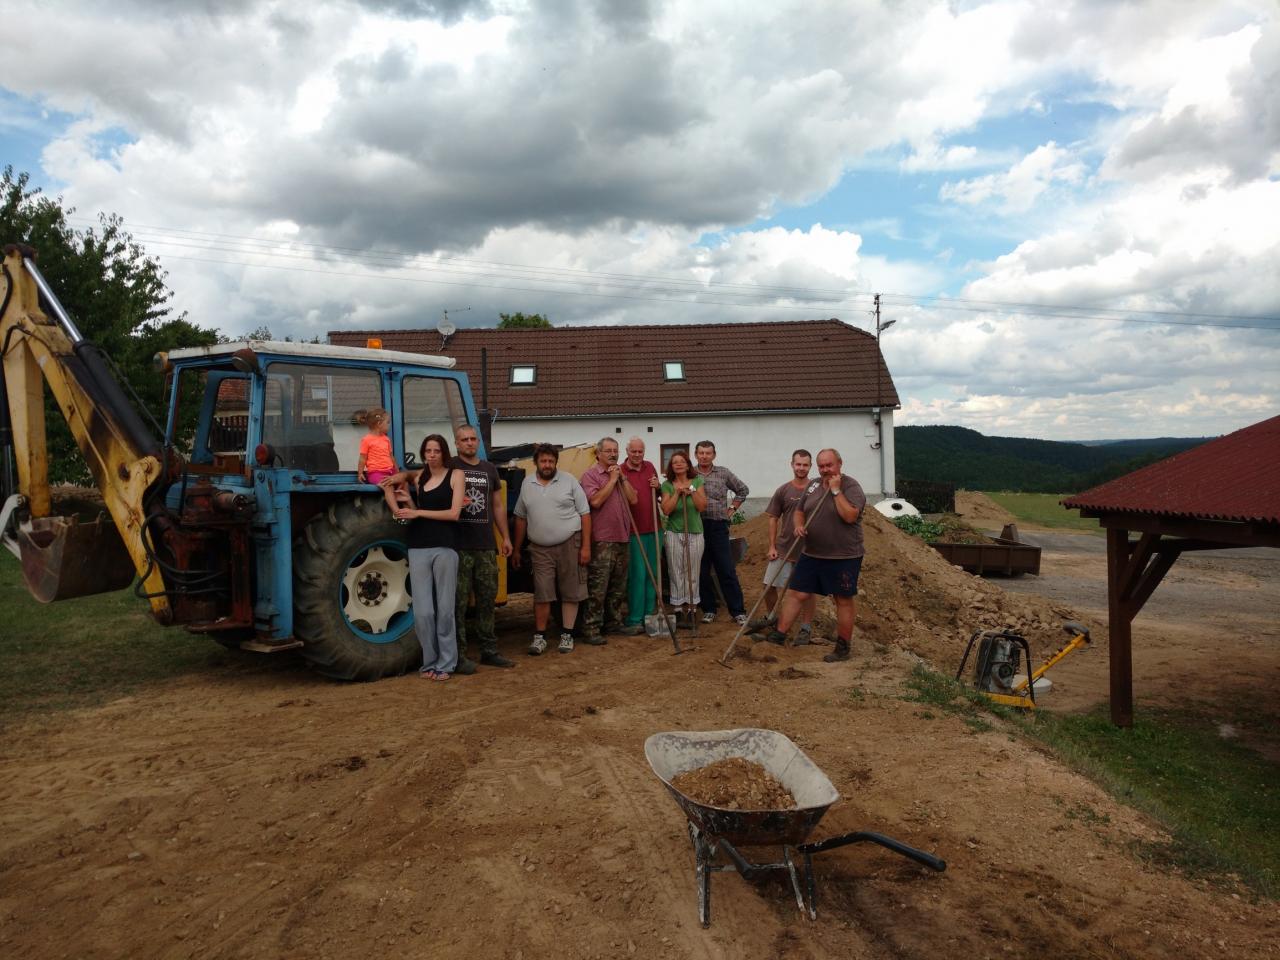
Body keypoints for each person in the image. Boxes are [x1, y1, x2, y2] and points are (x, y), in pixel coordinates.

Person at [757, 448, 866, 662]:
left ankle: (843, 647)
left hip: (843, 555)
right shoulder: (814, 485)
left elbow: (850, 516)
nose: (825, 470)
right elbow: (800, 511)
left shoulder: (851, 486)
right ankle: (779, 635)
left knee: (842, 599)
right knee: (797, 593)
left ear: (839, 464)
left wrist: (836, 491)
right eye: (821, 466)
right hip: (812, 552)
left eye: (829, 465)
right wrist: (799, 525)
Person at [392, 433, 465, 680]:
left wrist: (418, 512)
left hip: (445, 546)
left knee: (445, 610)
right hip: (418, 546)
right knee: (423, 613)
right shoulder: (419, 477)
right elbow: (407, 485)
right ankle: (429, 663)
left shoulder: (456, 475)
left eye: (436, 451)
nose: (432, 455)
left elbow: (454, 513)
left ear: (444, 453)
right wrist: (409, 502)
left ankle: (447, 663)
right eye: (428, 451)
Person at [511, 444, 592, 655]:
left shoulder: (570, 481)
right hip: (539, 548)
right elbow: (520, 518)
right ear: (536, 463)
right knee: (542, 592)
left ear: (556, 462)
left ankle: (567, 634)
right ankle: (540, 637)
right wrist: (517, 549)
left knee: (570, 591)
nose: (547, 465)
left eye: (551, 461)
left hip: (569, 543)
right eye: (543, 461)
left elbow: (585, 514)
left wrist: (585, 547)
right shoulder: (527, 484)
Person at [449, 423, 516, 672]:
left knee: (487, 600)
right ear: (456, 443)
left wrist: (505, 537)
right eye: (464, 439)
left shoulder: (489, 469)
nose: (469, 442)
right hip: (458, 546)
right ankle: (458, 655)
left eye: (473, 439)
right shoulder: (450, 467)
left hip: (486, 545)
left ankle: (489, 651)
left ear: (478, 442)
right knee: (458, 603)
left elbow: (497, 505)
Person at [748, 449, 819, 643]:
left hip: (809, 550)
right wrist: (772, 546)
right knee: (768, 586)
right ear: (792, 465)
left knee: (808, 591)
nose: (801, 468)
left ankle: (805, 628)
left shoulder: (817, 490)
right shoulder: (783, 490)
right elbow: (773, 518)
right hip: (784, 548)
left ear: (810, 466)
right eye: (798, 464)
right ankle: (772, 618)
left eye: (805, 465)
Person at [579, 438, 637, 644]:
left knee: (618, 585)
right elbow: (595, 501)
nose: (613, 454)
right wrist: (611, 480)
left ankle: (613, 623)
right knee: (598, 586)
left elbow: (633, 499)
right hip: (602, 540)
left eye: (615, 450)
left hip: (623, 537)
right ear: (598, 454)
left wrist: (623, 479)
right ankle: (591, 628)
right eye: (608, 451)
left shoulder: (620, 474)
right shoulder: (590, 475)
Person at [692, 441, 750, 625]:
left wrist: (731, 509)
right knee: (702, 571)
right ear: (696, 455)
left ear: (714, 455)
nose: (704, 456)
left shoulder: (723, 473)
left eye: (708, 453)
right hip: (697, 527)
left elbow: (743, 490)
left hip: (718, 527)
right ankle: (709, 609)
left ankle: (737, 610)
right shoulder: (690, 473)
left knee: (726, 569)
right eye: (701, 453)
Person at [620, 437, 661, 635]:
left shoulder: (650, 466)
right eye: (633, 451)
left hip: (655, 528)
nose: (637, 455)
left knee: (653, 573)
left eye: (640, 451)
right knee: (637, 575)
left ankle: (649, 614)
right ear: (627, 451)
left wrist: (658, 486)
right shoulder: (621, 471)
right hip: (633, 531)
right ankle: (635, 618)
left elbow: (659, 493)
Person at [660, 450, 707, 621]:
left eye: (682, 461)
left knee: (692, 570)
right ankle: (678, 607)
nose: (679, 464)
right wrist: (677, 493)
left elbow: (702, 506)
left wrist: (691, 492)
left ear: (688, 465)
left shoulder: (697, 481)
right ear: (671, 467)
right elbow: (666, 510)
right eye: (675, 462)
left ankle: (692, 607)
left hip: (694, 532)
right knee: (675, 571)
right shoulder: (667, 485)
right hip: (674, 532)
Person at [357, 408, 409, 516]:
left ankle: (408, 508)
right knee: (388, 487)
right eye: (388, 422)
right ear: (379, 424)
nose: (389, 425)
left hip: (390, 471)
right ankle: (397, 513)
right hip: (376, 473)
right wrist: (360, 473)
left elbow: (391, 457)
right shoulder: (366, 440)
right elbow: (362, 458)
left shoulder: (386, 439)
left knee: (404, 482)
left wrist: (397, 471)